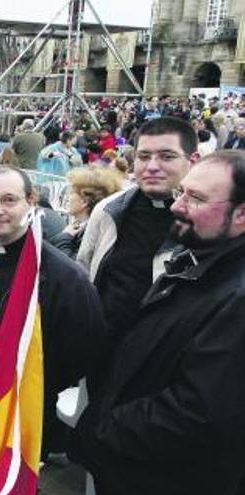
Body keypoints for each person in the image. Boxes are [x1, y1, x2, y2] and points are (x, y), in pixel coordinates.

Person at [70, 150, 245, 495]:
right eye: (182, 192)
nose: (178, 206)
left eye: (195, 199)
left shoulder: (236, 297)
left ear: (241, 215)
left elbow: (197, 414)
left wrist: (98, 431)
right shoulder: (195, 259)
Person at [0, 165, 105, 476]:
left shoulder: (66, 278)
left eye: (9, 200)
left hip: (23, 416)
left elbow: (82, 354)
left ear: (31, 201)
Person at [77, 117, 199, 348]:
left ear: (193, 160)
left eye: (167, 156)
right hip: (104, 356)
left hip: (168, 361)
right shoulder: (108, 209)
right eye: (144, 156)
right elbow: (85, 271)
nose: (152, 166)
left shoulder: (208, 219)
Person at [54, 167, 123, 258]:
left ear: (84, 201)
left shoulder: (92, 233)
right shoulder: (87, 226)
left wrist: (64, 238)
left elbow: (73, 268)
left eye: (71, 193)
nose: (67, 198)